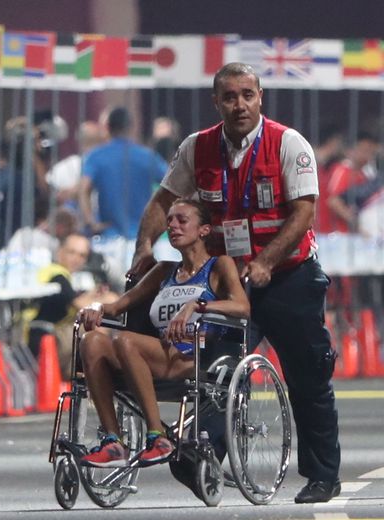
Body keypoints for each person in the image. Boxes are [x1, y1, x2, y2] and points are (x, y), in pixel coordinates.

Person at [130, 63, 341, 503]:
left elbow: (304, 213)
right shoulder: (198, 148)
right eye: (230, 96)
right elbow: (163, 200)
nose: (239, 104)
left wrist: (266, 260)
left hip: (289, 277)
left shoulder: (288, 143)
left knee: (308, 376)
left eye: (247, 94)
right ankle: (203, 456)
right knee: (217, 372)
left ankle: (323, 476)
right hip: (229, 281)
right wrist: (143, 248)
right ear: (217, 102)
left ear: (260, 96)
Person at [77, 199, 249, 467]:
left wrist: (198, 305)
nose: (173, 226)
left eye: (182, 220)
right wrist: (96, 308)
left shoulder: (219, 266)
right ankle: (113, 442)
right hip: (155, 354)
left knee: (126, 340)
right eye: (169, 220)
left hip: (193, 357)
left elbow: (242, 307)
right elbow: (119, 305)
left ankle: (157, 436)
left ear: (204, 230)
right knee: (92, 341)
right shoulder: (164, 271)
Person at [27, 233, 117, 379]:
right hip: (44, 338)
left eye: (82, 256)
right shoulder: (56, 274)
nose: (76, 259)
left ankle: (91, 374)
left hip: (51, 336)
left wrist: (96, 295)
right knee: (98, 325)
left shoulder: (60, 275)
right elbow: (79, 305)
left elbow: (72, 299)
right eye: (72, 252)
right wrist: (111, 302)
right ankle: (99, 375)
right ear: (60, 251)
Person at [79, 106, 168, 239]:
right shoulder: (147, 156)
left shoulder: (96, 156)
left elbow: (83, 189)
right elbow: (175, 184)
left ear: (107, 128)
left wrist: (90, 223)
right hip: (143, 236)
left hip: (110, 237)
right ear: (131, 127)